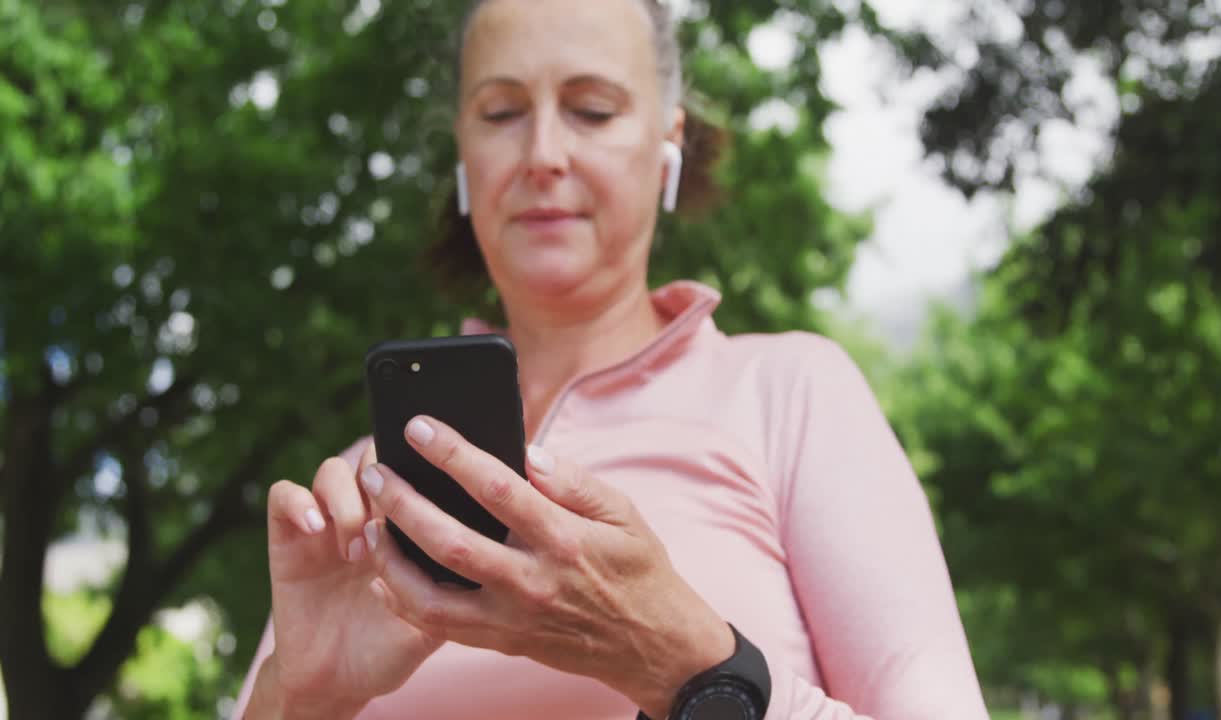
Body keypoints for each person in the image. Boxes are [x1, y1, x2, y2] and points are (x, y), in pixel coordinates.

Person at [234, 0, 990, 718]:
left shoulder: (792, 393)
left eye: (592, 110)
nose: (542, 154)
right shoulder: (366, 484)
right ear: (463, 154)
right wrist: (300, 702)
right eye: (501, 114)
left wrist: (685, 664)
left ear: (669, 145)